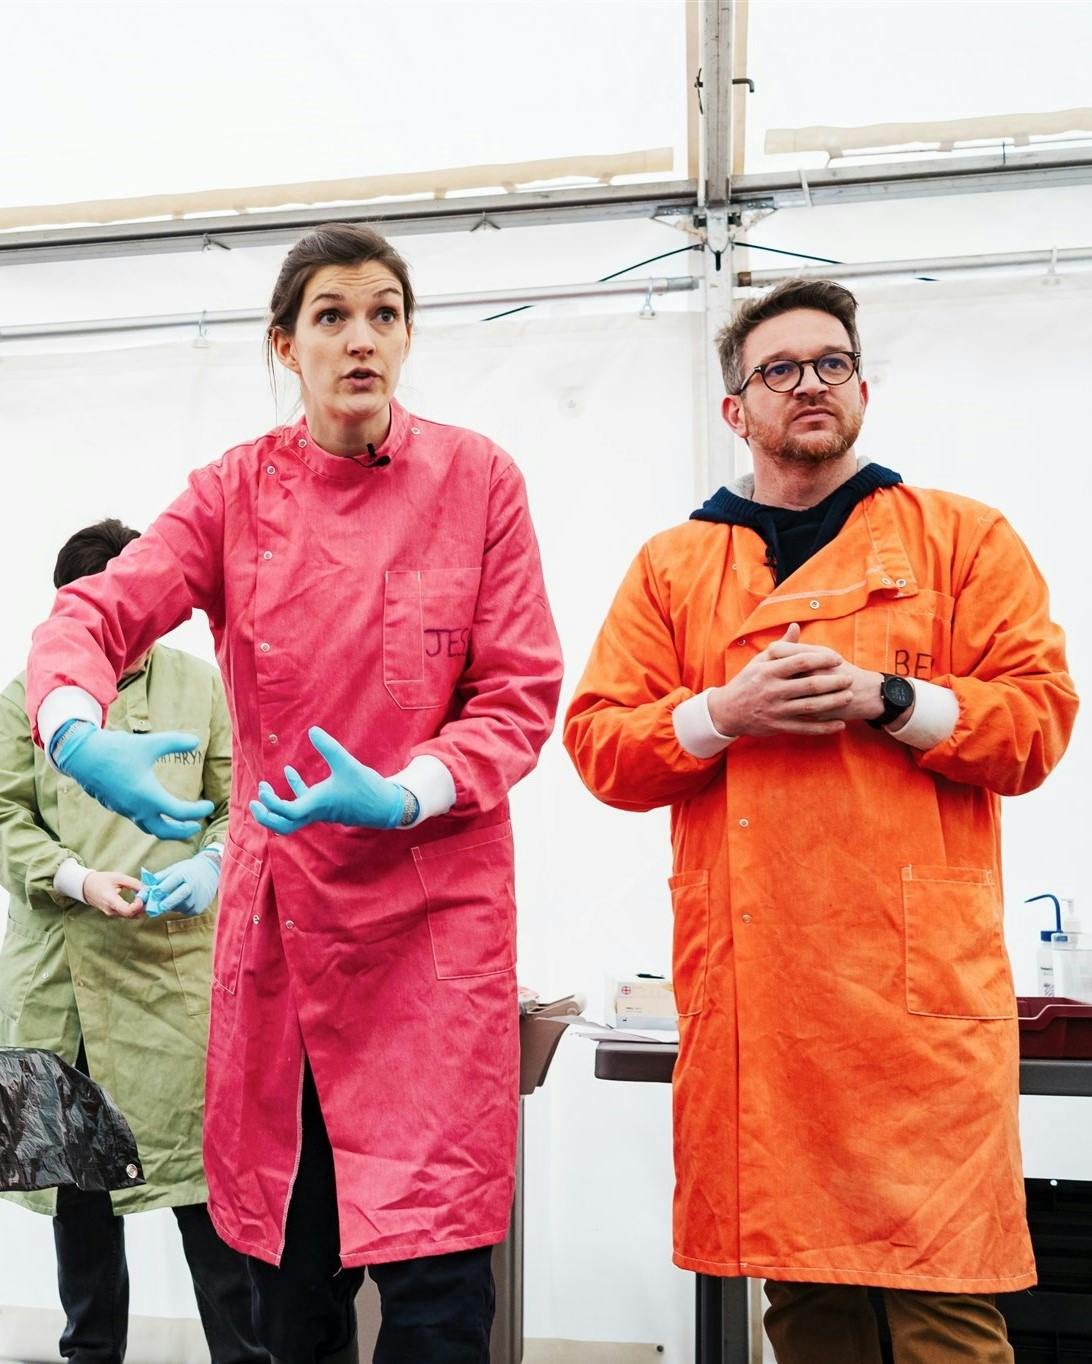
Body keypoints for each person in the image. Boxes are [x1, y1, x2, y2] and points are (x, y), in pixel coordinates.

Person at [25, 223, 563, 1364]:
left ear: (407, 336)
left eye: (384, 314)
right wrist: (74, 730)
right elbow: (97, 612)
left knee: (437, 1302)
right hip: (285, 947)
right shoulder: (234, 493)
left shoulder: (479, 481)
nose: (361, 339)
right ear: (286, 344)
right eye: (332, 316)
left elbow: (518, 695)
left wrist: (410, 790)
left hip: (431, 946)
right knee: (292, 1294)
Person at [563, 279, 1078, 1363]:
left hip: (915, 1005)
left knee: (945, 1305)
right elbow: (602, 745)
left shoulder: (960, 540)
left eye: (832, 362)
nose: (811, 383)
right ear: (735, 408)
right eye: (781, 368)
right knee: (805, 1307)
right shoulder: (675, 567)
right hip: (767, 1002)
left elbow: (1036, 726)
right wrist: (722, 713)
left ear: (863, 389)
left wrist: (890, 698)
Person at [0, 517, 265, 1364]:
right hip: (66, 983)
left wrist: (214, 865)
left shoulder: (202, 687)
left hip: (173, 978)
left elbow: (243, 798)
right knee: (79, 1196)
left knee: (205, 1188)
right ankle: (90, 1353)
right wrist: (75, 876)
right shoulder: (27, 696)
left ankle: (243, 1353)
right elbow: (4, 814)